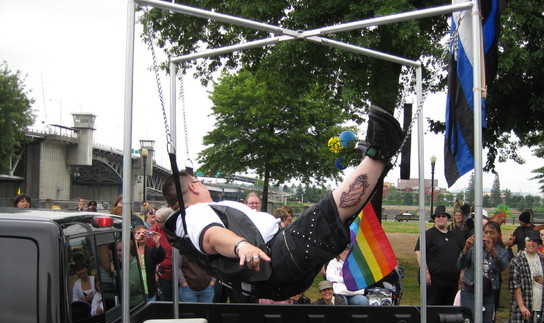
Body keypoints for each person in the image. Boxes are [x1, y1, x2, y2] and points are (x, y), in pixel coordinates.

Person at [161, 104, 404, 301]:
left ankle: (376, 160)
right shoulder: (192, 214)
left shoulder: (193, 216)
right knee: (327, 214)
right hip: (273, 260)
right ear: (193, 187)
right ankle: (380, 151)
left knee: (338, 220)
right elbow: (211, 236)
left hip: (275, 265)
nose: (203, 185)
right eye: (200, 182)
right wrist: (241, 246)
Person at [458, 221, 509, 323]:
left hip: (488, 295)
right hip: (470, 291)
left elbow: (502, 267)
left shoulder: (502, 251)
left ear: (498, 234)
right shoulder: (475, 247)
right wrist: (466, 248)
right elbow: (460, 264)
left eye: (492, 233)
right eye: (486, 232)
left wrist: (493, 251)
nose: (488, 235)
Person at [506, 230, 544, 323]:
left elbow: (542, 282)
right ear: (525, 242)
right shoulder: (518, 260)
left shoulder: (541, 259)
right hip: (522, 308)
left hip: (538, 307)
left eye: (535, 241)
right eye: (529, 241)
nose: (531, 244)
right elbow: (515, 285)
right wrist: (522, 306)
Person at [414, 205, 462, 305]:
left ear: (447, 218)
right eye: (438, 216)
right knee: (432, 309)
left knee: (448, 309)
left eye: (443, 216)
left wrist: (462, 273)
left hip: (452, 281)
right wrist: (425, 273)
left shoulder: (454, 236)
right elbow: (419, 253)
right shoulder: (428, 235)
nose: (441, 218)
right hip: (434, 280)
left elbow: (461, 255)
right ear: (434, 219)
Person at [147, 208, 174, 301]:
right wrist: (154, 272)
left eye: (159, 221)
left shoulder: (178, 228)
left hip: (181, 273)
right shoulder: (154, 230)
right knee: (166, 300)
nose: (156, 223)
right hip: (163, 273)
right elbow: (149, 252)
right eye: (156, 220)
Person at [133, 225, 165, 302]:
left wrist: (157, 242)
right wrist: (136, 241)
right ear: (133, 235)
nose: (142, 236)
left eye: (144, 233)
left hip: (148, 289)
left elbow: (160, 257)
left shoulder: (150, 251)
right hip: (135, 291)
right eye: (138, 233)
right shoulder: (130, 250)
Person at [115, 240, 145, 307]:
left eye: (120, 250)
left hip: (135, 305)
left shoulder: (134, 264)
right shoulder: (124, 265)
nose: (118, 253)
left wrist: (115, 278)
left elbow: (130, 288)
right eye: (116, 251)